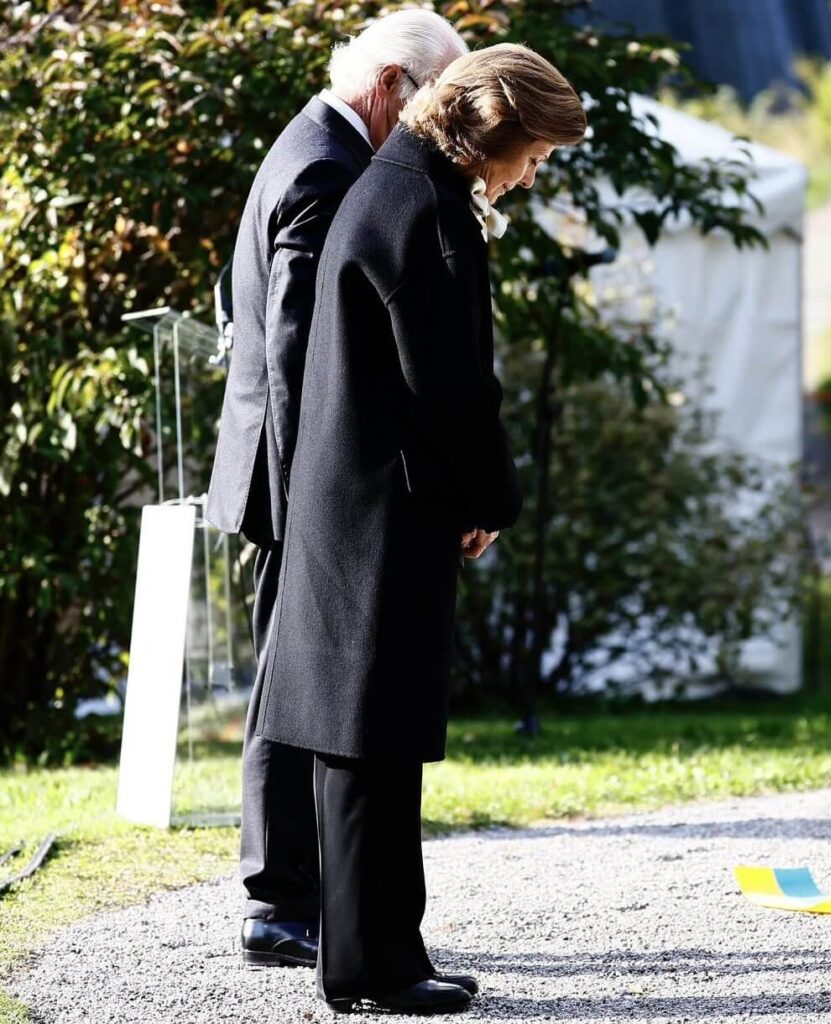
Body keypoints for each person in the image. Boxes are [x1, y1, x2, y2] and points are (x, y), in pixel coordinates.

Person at [257, 43, 587, 1013]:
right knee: (372, 742)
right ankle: (376, 965)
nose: (531, 173)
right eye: (532, 153)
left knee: (362, 744)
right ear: (494, 132)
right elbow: (449, 387)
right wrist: (488, 498)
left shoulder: (386, 186)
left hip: (351, 497)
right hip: (383, 510)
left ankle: (367, 957)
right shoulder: (425, 210)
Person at [203, 8, 468, 985]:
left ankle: (291, 897)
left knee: (291, 677)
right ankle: (279, 900)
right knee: (294, 685)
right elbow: (292, 348)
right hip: (292, 474)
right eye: (435, 101)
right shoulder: (326, 164)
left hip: (277, 466)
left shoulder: (311, 139)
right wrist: (309, 497)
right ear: (394, 89)